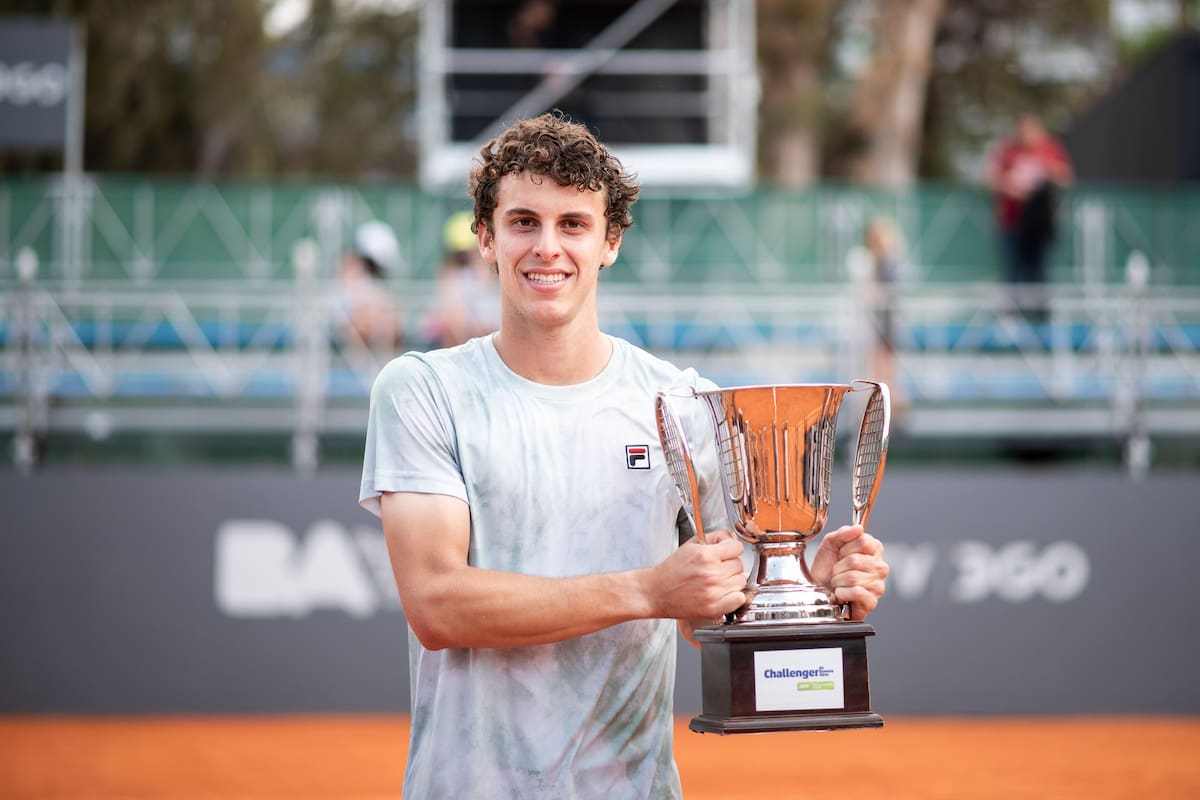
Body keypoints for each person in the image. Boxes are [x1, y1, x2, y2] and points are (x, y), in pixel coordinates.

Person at [358, 112, 889, 798]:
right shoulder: (422, 390)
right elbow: (437, 606)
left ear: (610, 241)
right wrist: (646, 591)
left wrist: (803, 586)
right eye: (524, 222)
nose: (547, 248)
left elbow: (710, 614)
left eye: (573, 225)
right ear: (486, 238)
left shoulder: (681, 404)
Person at [987, 113, 1074, 312]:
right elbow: (991, 178)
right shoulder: (1007, 151)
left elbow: (1065, 177)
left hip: (1039, 226)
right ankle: (1011, 317)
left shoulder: (1049, 150)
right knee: (1012, 271)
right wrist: (1008, 186)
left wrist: (1045, 173)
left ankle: (1043, 316)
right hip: (1012, 223)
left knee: (1040, 270)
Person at [422, 210, 498, 348]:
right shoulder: (448, 272)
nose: (465, 257)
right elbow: (448, 300)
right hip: (458, 323)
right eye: (461, 254)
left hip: (478, 318)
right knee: (453, 319)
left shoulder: (483, 269)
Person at [333, 220, 403, 354]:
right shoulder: (350, 271)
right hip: (347, 329)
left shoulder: (372, 279)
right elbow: (352, 313)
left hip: (370, 331)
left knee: (388, 323)